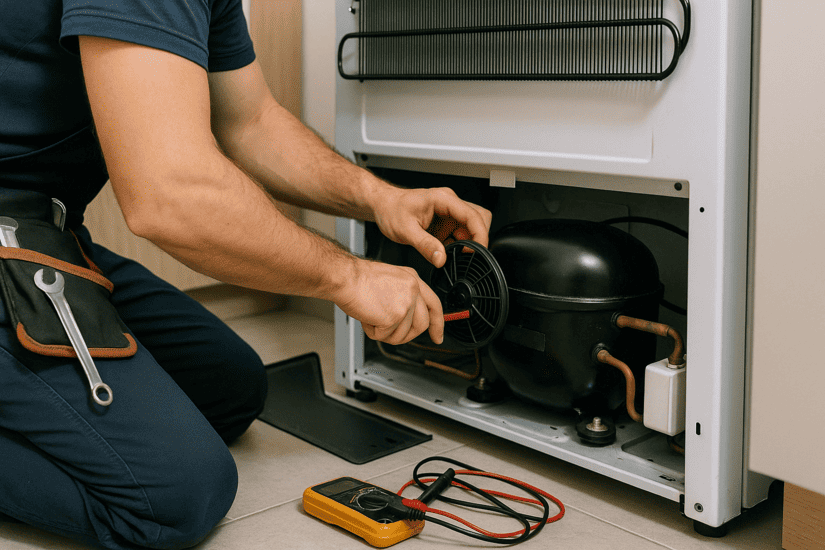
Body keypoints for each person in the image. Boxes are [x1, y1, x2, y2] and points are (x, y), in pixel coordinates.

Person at [0, 1, 491, 548]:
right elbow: (170, 195)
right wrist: (351, 278)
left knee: (229, 388)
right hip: (9, 227)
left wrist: (381, 198)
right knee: (172, 499)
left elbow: (248, 120)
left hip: (48, 228)